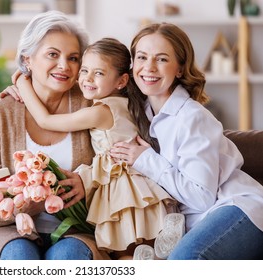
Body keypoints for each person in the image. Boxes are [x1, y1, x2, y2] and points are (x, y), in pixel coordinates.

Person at [110, 22, 263, 260]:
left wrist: (146, 160)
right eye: (141, 57)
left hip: (237, 207)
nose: (148, 67)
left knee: (185, 260)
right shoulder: (139, 114)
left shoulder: (193, 117)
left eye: (161, 59)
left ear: (179, 69)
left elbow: (201, 198)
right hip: (192, 221)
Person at [13, 37, 177, 256]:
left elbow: (45, 121)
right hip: (136, 183)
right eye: (84, 70)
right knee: (132, 251)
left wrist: (22, 83)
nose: (87, 79)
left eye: (99, 73)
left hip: (122, 188)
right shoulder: (123, 103)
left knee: (123, 252)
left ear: (121, 81)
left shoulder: (100, 112)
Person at [0, 10, 110, 260]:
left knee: (70, 258)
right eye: (53, 54)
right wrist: (20, 206)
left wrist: (88, 182)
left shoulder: (93, 105)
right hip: (8, 232)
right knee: (18, 257)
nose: (64, 66)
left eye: (74, 58)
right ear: (28, 59)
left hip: (75, 231)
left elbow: (122, 167)